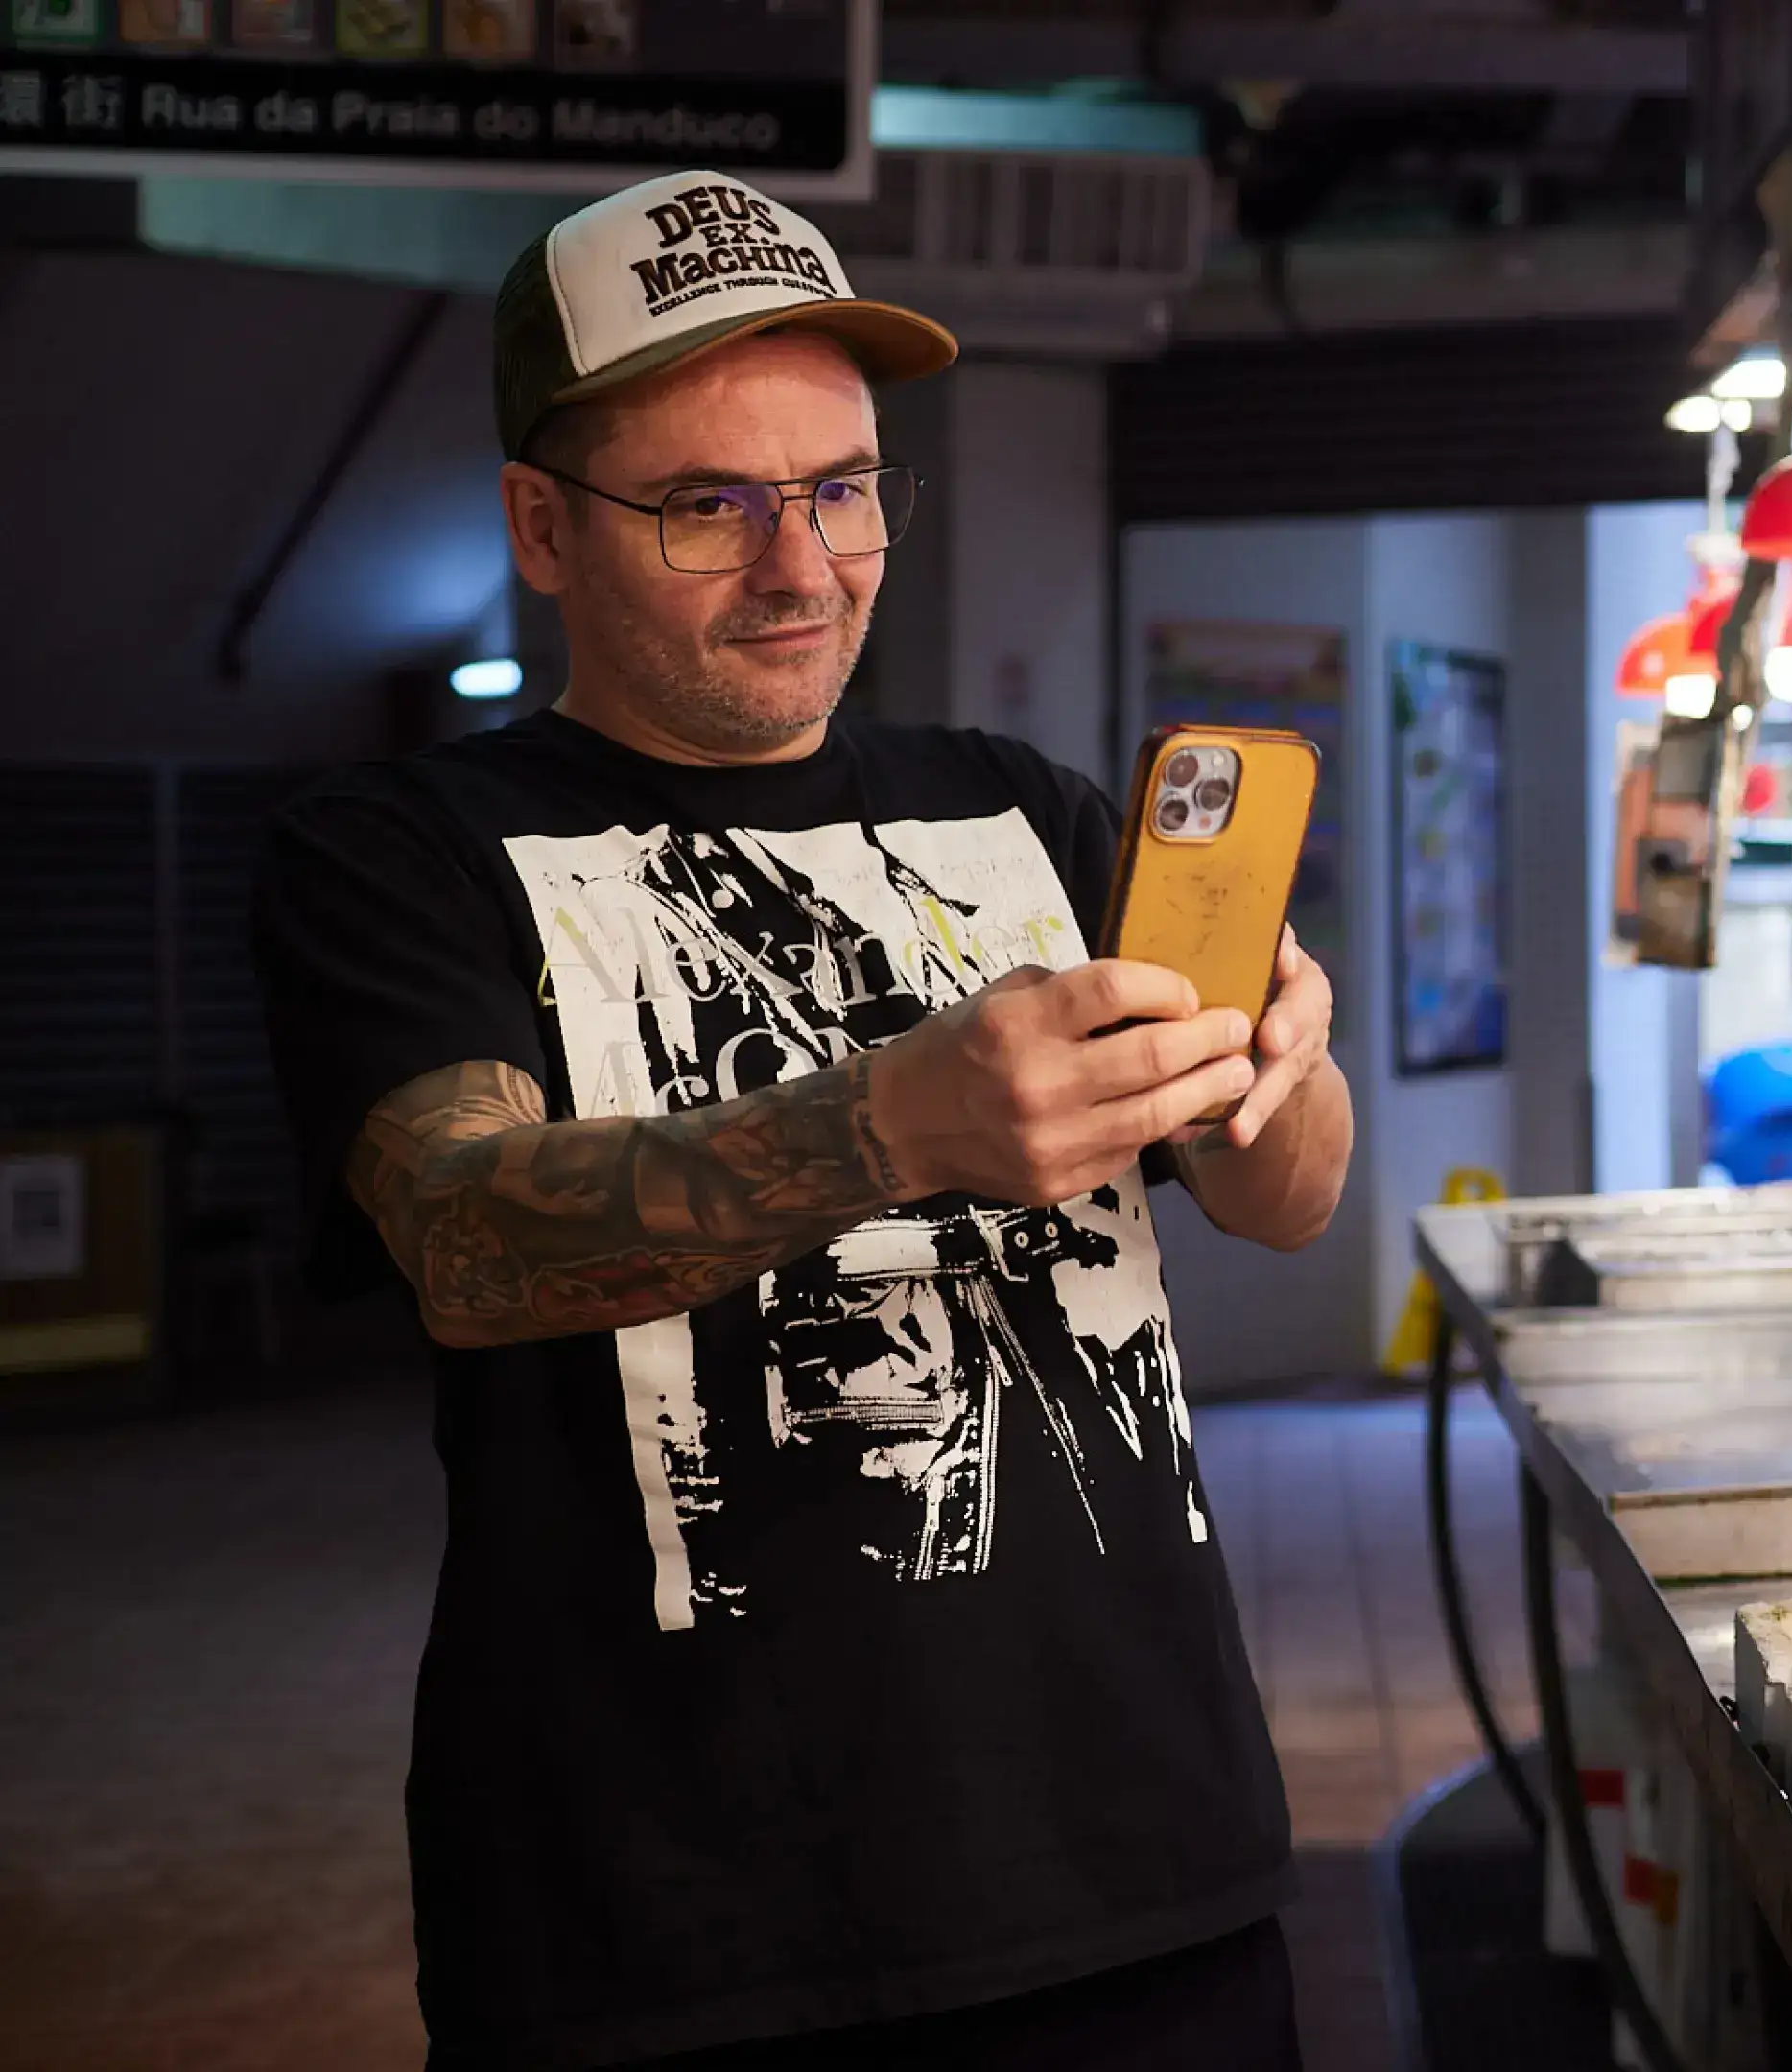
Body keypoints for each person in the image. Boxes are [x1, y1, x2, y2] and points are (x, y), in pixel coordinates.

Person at [248, 171, 1352, 2070]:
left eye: (842, 489)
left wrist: (1279, 1073)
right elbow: (463, 1230)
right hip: (677, 1926)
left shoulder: (1030, 805)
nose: (803, 565)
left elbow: (1288, 1206)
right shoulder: (401, 851)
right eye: (707, 505)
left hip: (1148, 1858)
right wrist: (889, 1126)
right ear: (540, 525)